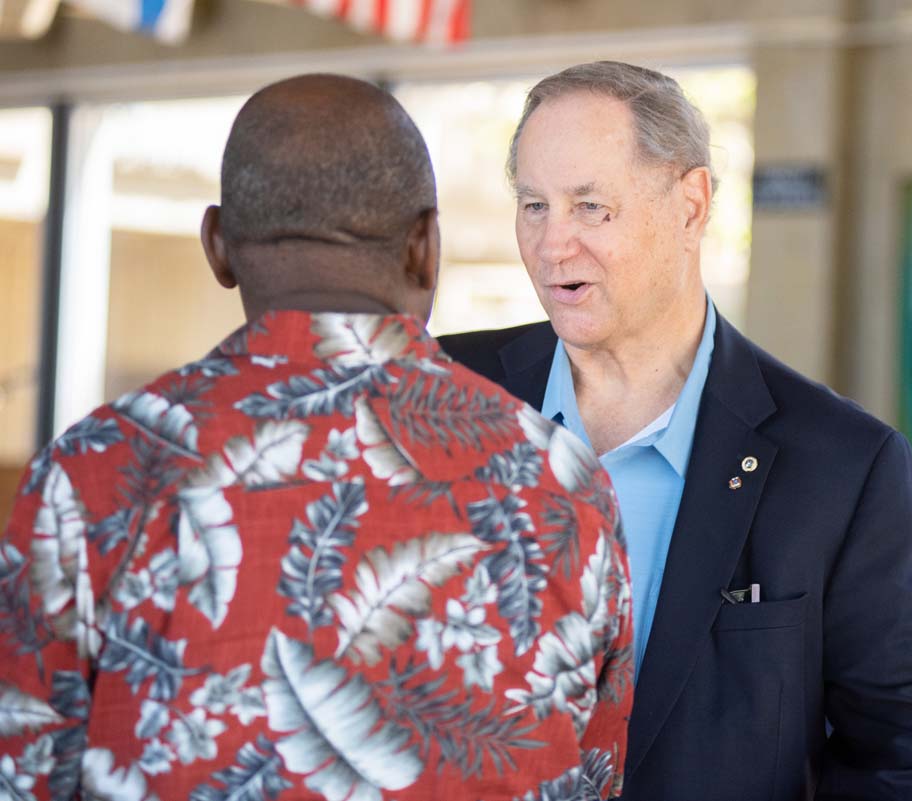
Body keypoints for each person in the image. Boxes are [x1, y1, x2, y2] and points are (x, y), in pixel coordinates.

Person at [0, 74, 633, 801]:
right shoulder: (563, 482)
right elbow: (592, 777)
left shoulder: (92, 475)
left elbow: (24, 771)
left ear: (217, 247)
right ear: (426, 247)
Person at [440, 60, 912, 800]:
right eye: (534, 205)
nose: (552, 245)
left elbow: (903, 749)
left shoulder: (842, 466)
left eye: (590, 207)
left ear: (691, 205)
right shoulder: (441, 392)